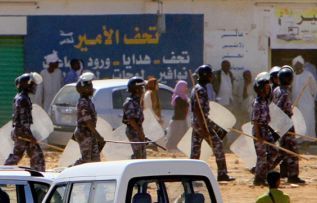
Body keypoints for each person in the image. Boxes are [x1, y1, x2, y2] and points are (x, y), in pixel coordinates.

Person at [190, 64, 235, 181]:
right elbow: (198, 111)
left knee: (195, 150)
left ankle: (190, 175)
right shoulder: (200, 90)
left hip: (196, 124)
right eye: (210, 75)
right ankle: (222, 174)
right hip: (202, 124)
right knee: (218, 146)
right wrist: (204, 128)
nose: (212, 77)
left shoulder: (197, 88)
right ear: (205, 76)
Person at [5, 72, 45, 172]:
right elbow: (23, 122)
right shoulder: (23, 99)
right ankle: (38, 178)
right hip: (22, 133)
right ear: (27, 84)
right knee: (37, 156)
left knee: (17, 156)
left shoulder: (20, 97)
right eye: (33, 84)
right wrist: (30, 137)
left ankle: (3, 173)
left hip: (20, 132)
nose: (34, 87)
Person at [272, 66, 305, 183]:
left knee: (283, 150)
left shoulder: (276, 90)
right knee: (292, 151)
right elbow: (282, 109)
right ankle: (293, 176)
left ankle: (277, 171)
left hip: (279, 125)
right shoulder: (285, 93)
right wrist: (289, 112)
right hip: (286, 124)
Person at [252, 72, 278, 185]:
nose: (268, 90)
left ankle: (264, 172)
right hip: (259, 131)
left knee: (274, 152)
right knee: (261, 156)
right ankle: (258, 178)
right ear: (261, 89)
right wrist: (258, 137)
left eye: (269, 88)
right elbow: (255, 122)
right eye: (266, 88)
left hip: (266, 130)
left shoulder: (266, 101)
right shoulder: (257, 103)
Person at [73, 72, 102, 165]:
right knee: (86, 160)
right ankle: (70, 170)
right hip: (84, 134)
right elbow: (88, 121)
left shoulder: (88, 101)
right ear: (84, 89)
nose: (92, 89)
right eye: (90, 87)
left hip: (90, 133)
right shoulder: (83, 103)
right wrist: (98, 135)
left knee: (95, 160)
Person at [291, 55, 317, 138]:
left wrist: (314, 100)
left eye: (299, 64)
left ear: (302, 65)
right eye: (296, 65)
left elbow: (314, 89)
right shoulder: (292, 76)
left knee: (307, 121)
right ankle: (299, 140)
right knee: (298, 122)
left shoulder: (308, 75)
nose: (298, 66)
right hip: (296, 104)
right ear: (294, 66)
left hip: (307, 104)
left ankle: (308, 140)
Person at [122, 76, 146, 159]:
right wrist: (140, 133)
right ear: (137, 89)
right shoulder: (130, 102)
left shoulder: (137, 101)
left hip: (137, 130)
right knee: (137, 156)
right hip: (133, 131)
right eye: (142, 88)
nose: (143, 90)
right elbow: (131, 120)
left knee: (142, 156)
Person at [165, 80, 190, 151]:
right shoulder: (178, 98)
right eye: (185, 87)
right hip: (178, 120)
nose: (186, 89)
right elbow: (182, 110)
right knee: (174, 136)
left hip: (182, 120)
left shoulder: (184, 97)